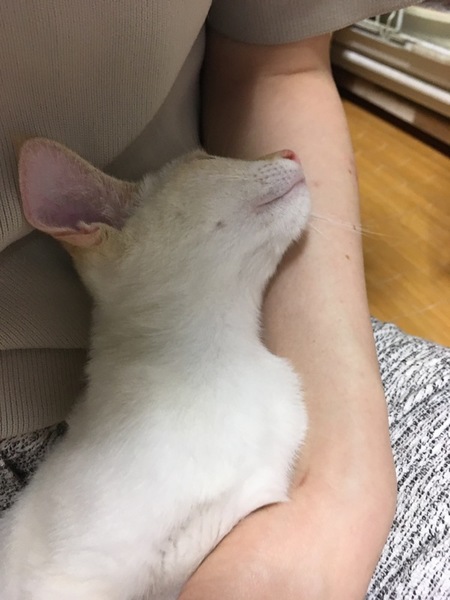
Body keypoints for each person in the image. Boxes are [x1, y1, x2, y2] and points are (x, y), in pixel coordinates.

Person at [0, 2, 448, 599]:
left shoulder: (272, 398)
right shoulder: (138, 451)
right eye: (208, 165)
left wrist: (344, 491)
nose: (287, 157)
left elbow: (282, 65)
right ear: (106, 228)